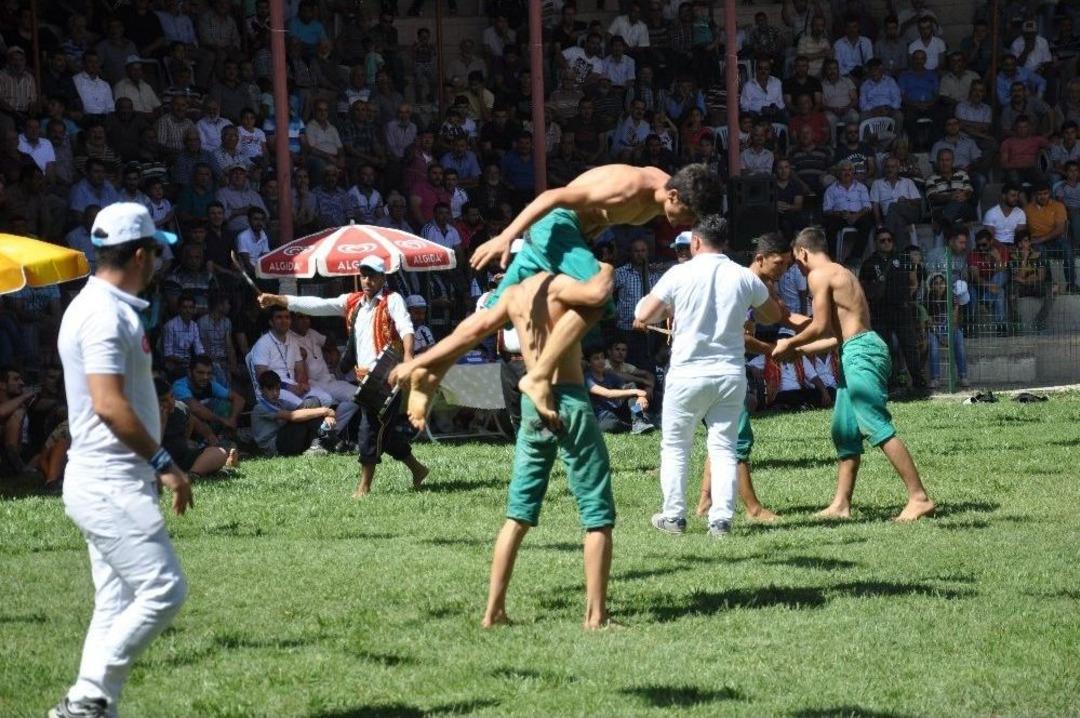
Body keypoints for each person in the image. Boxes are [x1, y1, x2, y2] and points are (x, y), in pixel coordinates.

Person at [390, 163, 723, 431]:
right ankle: (537, 376)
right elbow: (551, 197)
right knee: (601, 289)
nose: (688, 225)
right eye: (689, 216)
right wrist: (505, 236)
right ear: (674, 195)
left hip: (564, 236)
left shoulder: (665, 189)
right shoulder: (628, 188)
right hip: (557, 228)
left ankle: (426, 374)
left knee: (491, 317)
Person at [52, 202, 192, 718]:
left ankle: (93, 708)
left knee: (113, 602)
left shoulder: (103, 306)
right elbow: (109, 404)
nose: (158, 262)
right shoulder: (104, 316)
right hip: (109, 480)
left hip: (112, 477)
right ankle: (84, 698)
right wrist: (165, 462)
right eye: (156, 252)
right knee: (164, 591)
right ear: (140, 254)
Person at [480, 267, 617, 630]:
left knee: (518, 512)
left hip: (532, 402)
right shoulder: (563, 287)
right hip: (569, 397)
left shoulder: (513, 293)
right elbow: (603, 293)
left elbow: (479, 323)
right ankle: (596, 616)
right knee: (597, 512)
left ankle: (493, 611)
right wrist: (599, 264)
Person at [635, 216, 784, 537]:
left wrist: (652, 313)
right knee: (724, 446)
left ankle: (674, 515)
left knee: (676, 445)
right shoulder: (743, 276)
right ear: (725, 243)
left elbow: (644, 314)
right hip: (730, 374)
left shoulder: (679, 272)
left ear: (697, 243)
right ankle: (721, 519)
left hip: (688, 372)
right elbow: (773, 314)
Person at [773, 227, 935, 521]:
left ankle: (919, 497)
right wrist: (797, 353)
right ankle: (840, 505)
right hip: (857, 349)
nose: (796, 267)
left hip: (860, 354)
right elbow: (837, 336)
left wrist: (790, 342)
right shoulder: (843, 273)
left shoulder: (819, 275)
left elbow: (820, 326)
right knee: (845, 429)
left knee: (874, 422)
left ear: (803, 252)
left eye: (796, 260)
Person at [257, 256, 428, 498]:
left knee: (368, 430)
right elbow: (315, 304)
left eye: (373, 275)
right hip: (364, 379)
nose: (367, 280)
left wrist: (409, 356)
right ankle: (418, 469)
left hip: (388, 377)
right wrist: (278, 299)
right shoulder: (353, 302)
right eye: (364, 275)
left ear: (382, 277)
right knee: (384, 432)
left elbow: (405, 327)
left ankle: (364, 488)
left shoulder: (393, 299)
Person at [250, 369, 335, 457]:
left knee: (313, 401)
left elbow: (308, 407)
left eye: (278, 389)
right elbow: (292, 416)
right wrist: (324, 411)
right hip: (275, 446)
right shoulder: (260, 407)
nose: (275, 393)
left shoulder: (280, 402)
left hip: (288, 438)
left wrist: (328, 416)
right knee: (302, 417)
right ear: (261, 390)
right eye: (270, 389)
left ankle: (316, 445)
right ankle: (328, 439)